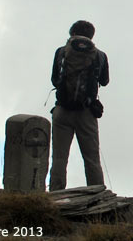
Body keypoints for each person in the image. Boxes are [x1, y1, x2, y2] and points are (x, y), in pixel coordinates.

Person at [49, 20, 109, 191]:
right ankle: (97, 196)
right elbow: (104, 81)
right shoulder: (100, 55)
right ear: (92, 35)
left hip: (62, 111)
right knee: (91, 158)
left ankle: (56, 195)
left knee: (59, 158)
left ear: (72, 33)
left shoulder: (61, 52)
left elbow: (54, 79)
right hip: (86, 112)